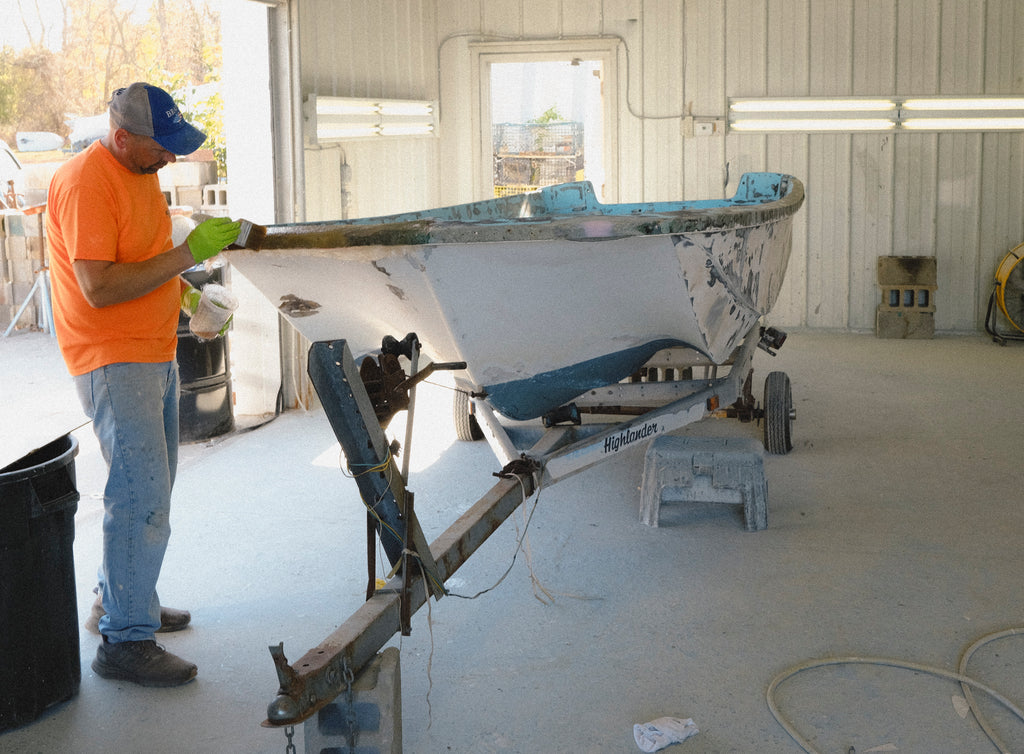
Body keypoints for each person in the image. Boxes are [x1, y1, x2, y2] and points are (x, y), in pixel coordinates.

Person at [47, 82, 241, 687]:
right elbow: (99, 288)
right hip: (112, 356)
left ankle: (121, 600)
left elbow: (143, 258)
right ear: (122, 134)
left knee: (152, 488)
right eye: (162, 147)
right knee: (140, 495)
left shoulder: (139, 172)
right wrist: (188, 255)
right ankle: (126, 640)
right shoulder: (86, 182)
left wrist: (189, 299)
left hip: (152, 352)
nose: (171, 158)